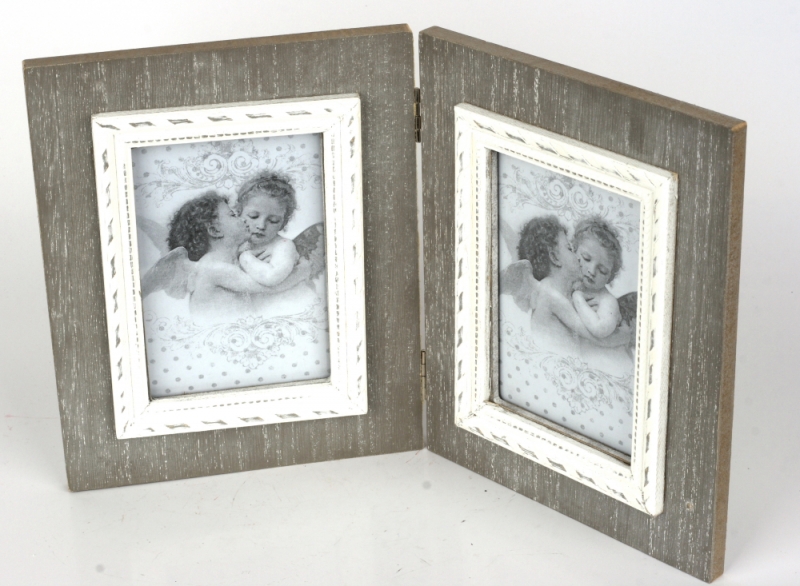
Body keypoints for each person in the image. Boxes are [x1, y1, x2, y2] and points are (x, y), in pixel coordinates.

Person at [235, 173, 301, 287]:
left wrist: (245, 258)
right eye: (253, 216)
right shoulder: (234, 242)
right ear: (239, 213)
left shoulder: (283, 246)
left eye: (273, 221)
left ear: (283, 223)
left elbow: (271, 278)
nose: (261, 226)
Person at [570, 217, 623, 339]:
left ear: (609, 277)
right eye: (586, 259)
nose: (592, 271)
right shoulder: (569, 283)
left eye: (602, 271)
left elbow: (601, 329)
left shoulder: (607, 301)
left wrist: (578, 298)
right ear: (574, 250)